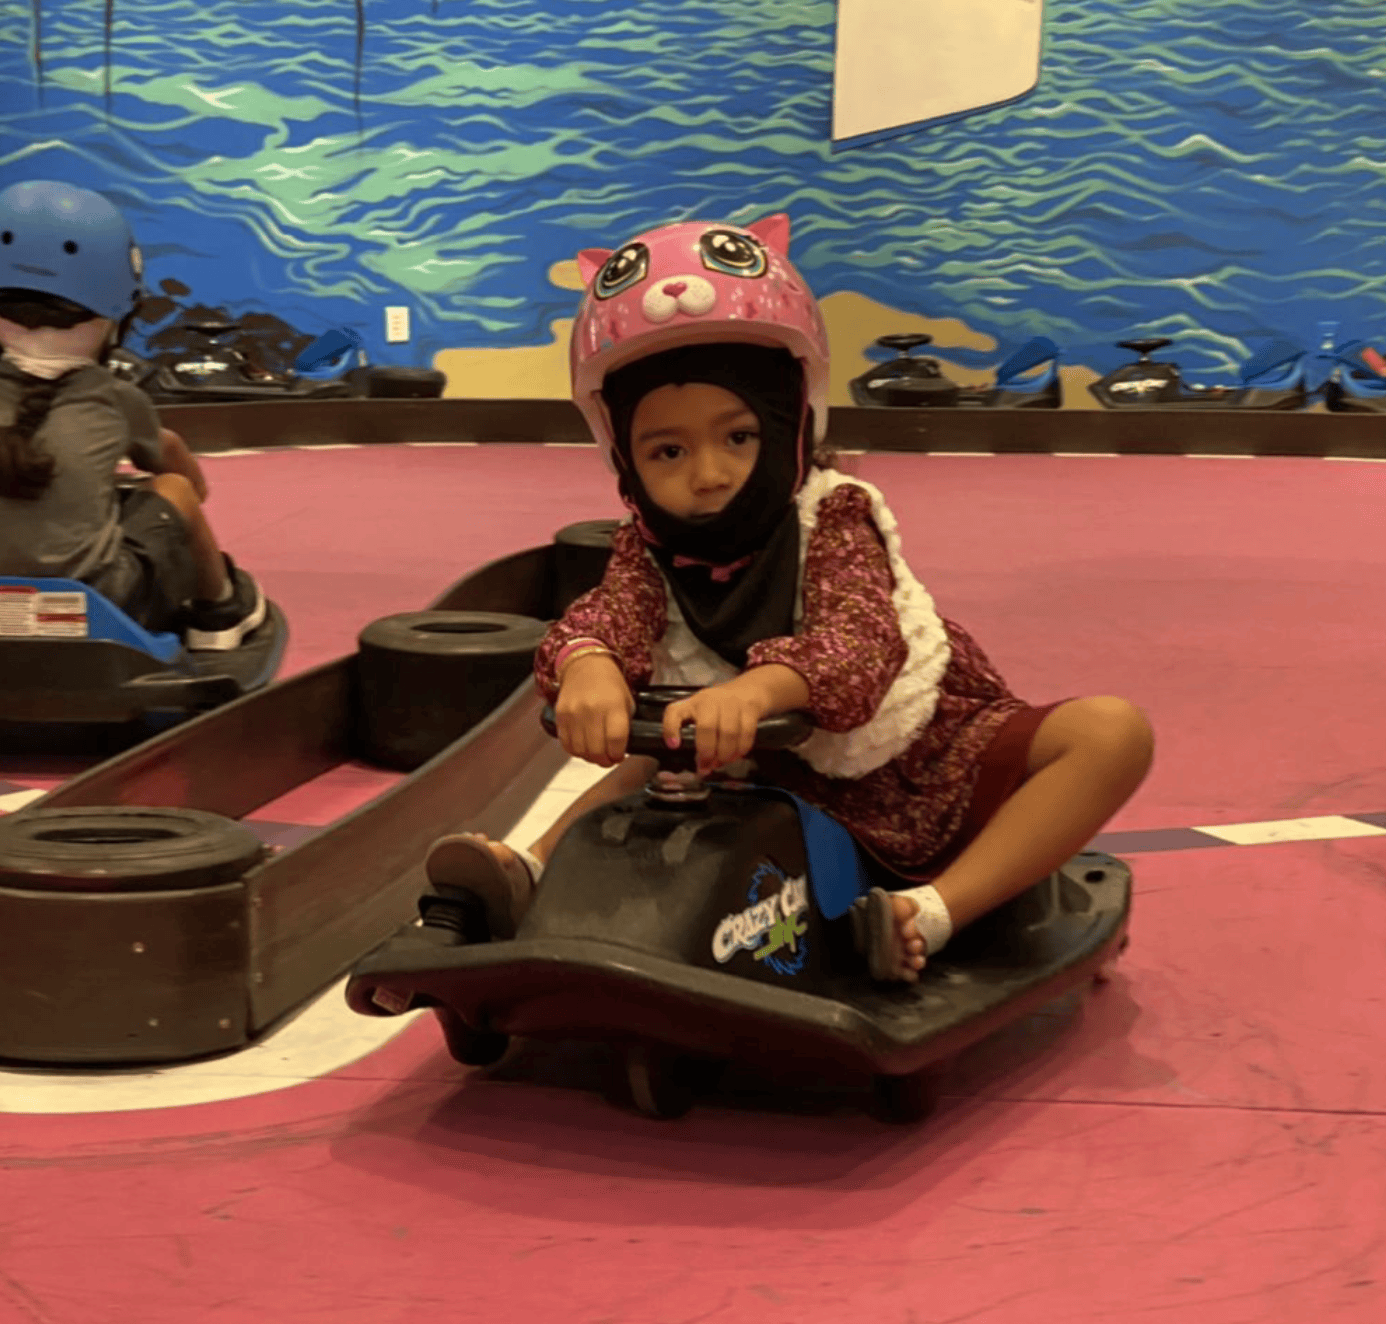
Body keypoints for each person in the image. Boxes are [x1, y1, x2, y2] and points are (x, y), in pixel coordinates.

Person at [427, 215, 1154, 982]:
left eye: (737, 437)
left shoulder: (832, 517)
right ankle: (531, 870)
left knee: (1111, 732)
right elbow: (607, 614)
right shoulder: (648, 546)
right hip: (766, 773)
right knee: (651, 757)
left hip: (922, 761)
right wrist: (589, 665)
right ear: (623, 457)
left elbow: (857, 643)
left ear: (789, 425)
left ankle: (933, 912)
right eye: (668, 450)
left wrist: (760, 689)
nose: (708, 474)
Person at [0, 179, 264, 648]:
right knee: (174, 489)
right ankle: (219, 611)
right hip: (98, 603)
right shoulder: (117, 399)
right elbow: (187, 477)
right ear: (117, 315)